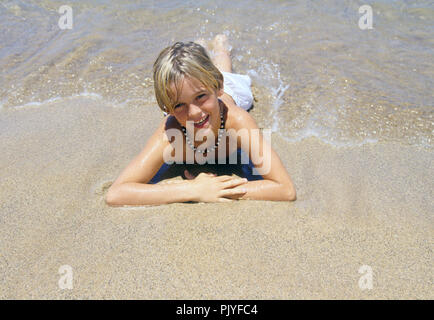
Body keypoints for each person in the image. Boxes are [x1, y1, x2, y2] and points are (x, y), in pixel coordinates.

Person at [105, 35, 296, 206]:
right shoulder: (171, 134)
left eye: (201, 97)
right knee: (193, 67)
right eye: (179, 105)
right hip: (202, 84)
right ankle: (199, 45)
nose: (195, 113)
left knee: (223, 67)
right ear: (167, 109)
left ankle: (221, 45)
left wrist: (221, 190)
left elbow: (285, 189)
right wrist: (193, 190)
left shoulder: (237, 121)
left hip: (231, 91)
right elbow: (116, 193)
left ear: (216, 88)